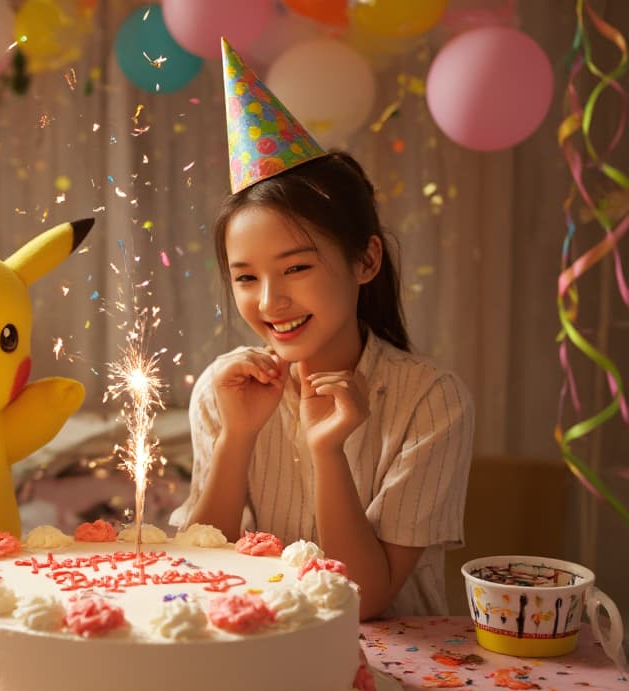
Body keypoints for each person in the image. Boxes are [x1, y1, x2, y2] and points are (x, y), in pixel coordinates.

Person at [171, 40, 474, 620]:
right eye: (245, 277)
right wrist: (236, 438)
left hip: (397, 670)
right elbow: (199, 575)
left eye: (297, 267)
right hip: (254, 662)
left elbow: (363, 601)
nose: (269, 300)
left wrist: (327, 450)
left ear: (366, 260)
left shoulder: (432, 401)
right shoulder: (224, 389)